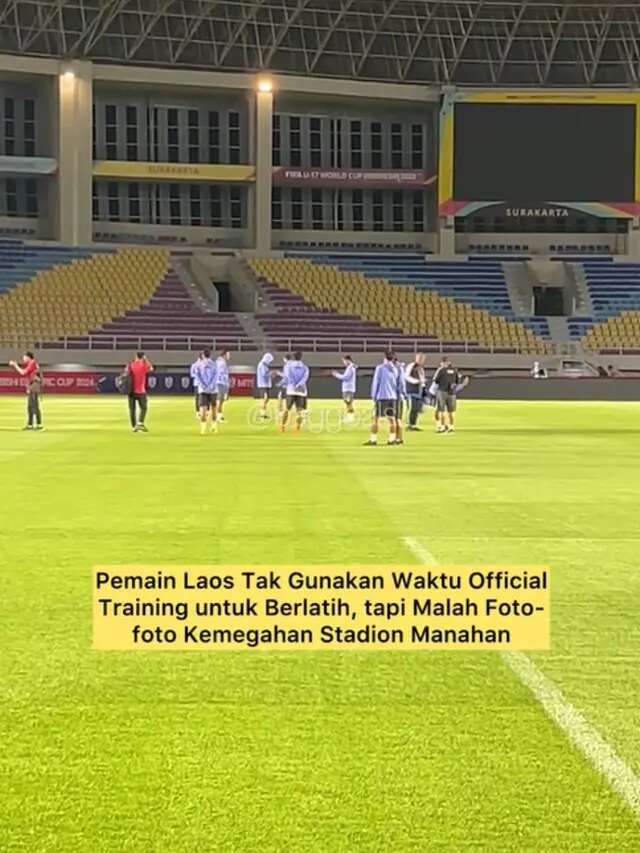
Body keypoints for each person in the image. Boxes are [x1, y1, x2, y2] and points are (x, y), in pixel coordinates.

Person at [364, 351, 400, 446]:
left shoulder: (380, 368)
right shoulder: (396, 369)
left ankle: (373, 439)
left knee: (375, 419)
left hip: (382, 396)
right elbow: (397, 384)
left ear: (385, 357)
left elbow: (376, 382)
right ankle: (391, 440)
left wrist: (373, 395)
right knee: (392, 419)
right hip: (393, 397)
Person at [9, 351, 43, 431]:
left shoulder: (32, 363)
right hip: (32, 385)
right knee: (30, 406)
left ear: (28, 357)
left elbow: (23, 373)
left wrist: (15, 365)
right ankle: (30, 424)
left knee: (34, 405)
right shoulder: (33, 363)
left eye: (24, 357)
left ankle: (39, 424)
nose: (23, 358)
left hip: (34, 386)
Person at [281, 351, 309, 433]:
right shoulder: (305, 367)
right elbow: (305, 378)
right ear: (301, 357)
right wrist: (299, 384)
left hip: (291, 390)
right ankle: (298, 427)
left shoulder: (289, 366)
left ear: (293, 357)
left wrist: (293, 384)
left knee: (287, 409)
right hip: (300, 390)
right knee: (299, 411)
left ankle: (282, 426)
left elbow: (287, 376)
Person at [193, 349, 218, 434]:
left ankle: (203, 428)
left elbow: (197, 376)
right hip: (213, 389)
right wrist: (211, 385)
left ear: (203, 355)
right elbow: (216, 376)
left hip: (203, 389)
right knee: (213, 407)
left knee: (203, 408)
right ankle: (214, 426)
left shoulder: (199, 365)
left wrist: (203, 385)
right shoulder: (214, 364)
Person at [432, 356, 460, 434]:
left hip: (442, 391)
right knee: (451, 411)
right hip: (452, 393)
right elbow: (457, 382)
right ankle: (451, 426)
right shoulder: (455, 371)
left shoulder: (441, 370)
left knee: (441, 410)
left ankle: (443, 426)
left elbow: (436, 381)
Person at [127, 351, 154, 432]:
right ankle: (140, 423)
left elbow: (126, 372)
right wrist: (146, 360)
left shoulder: (131, 364)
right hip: (141, 391)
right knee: (144, 408)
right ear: (143, 357)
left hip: (131, 390)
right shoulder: (143, 365)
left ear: (136, 356)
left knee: (132, 409)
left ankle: (134, 426)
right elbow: (151, 368)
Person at [332, 355, 357, 423]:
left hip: (348, 388)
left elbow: (345, 377)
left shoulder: (350, 368)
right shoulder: (351, 367)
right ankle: (349, 417)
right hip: (349, 388)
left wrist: (336, 375)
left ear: (347, 360)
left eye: (344, 361)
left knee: (348, 403)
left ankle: (350, 418)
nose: (343, 363)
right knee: (348, 403)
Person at [405, 353, 427, 431]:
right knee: (411, 408)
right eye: (420, 358)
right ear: (416, 358)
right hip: (411, 390)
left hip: (419, 391)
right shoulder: (411, 366)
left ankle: (413, 425)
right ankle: (409, 425)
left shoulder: (421, 368)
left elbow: (422, 379)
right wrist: (416, 381)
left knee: (416, 409)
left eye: (423, 359)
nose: (422, 360)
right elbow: (406, 376)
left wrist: (423, 388)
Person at [256, 352, 275, 420]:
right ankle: (262, 414)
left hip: (265, 384)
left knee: (266, 399)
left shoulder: (264, 365)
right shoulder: (262, 365)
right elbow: (264, 374)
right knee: (264, 398)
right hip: (263, 384)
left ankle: (263, 413)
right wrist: (271, 373)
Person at [215, 349, 231, 422]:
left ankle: (219, 415)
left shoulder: (218, 362)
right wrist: (226, 383)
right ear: (224, 355)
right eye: (228, 354)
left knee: (220, 400)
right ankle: (218, 416)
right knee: (219, 400)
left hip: (219, 383)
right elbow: (221, 374)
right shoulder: (222, 363)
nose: (229, 356)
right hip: (221, 383)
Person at [189, 351, 204, 419]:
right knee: (198, 398)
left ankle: (202, 412)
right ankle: (198, 412)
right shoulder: (195, 365)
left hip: (202, 384)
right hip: (198, 383)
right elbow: (192, 374)